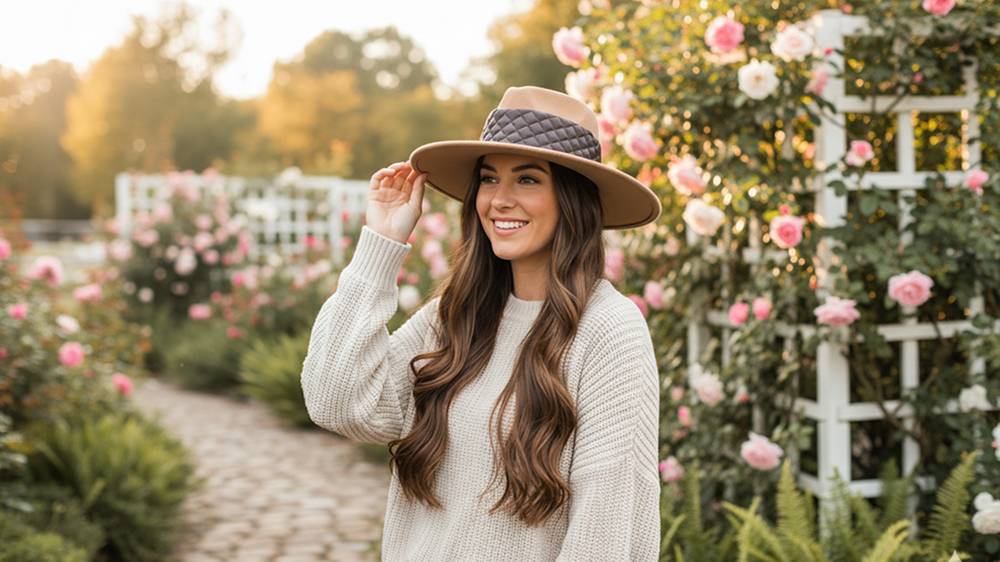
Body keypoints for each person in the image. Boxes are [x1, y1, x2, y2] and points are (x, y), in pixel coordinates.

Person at [300, 85, 663, 561]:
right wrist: (381, 243)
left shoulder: (608, 332)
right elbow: (336, 402)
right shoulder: (458, 313)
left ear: (572, 199)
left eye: (528, 180)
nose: (499, 200)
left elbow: (605, 533)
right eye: (489, 179)